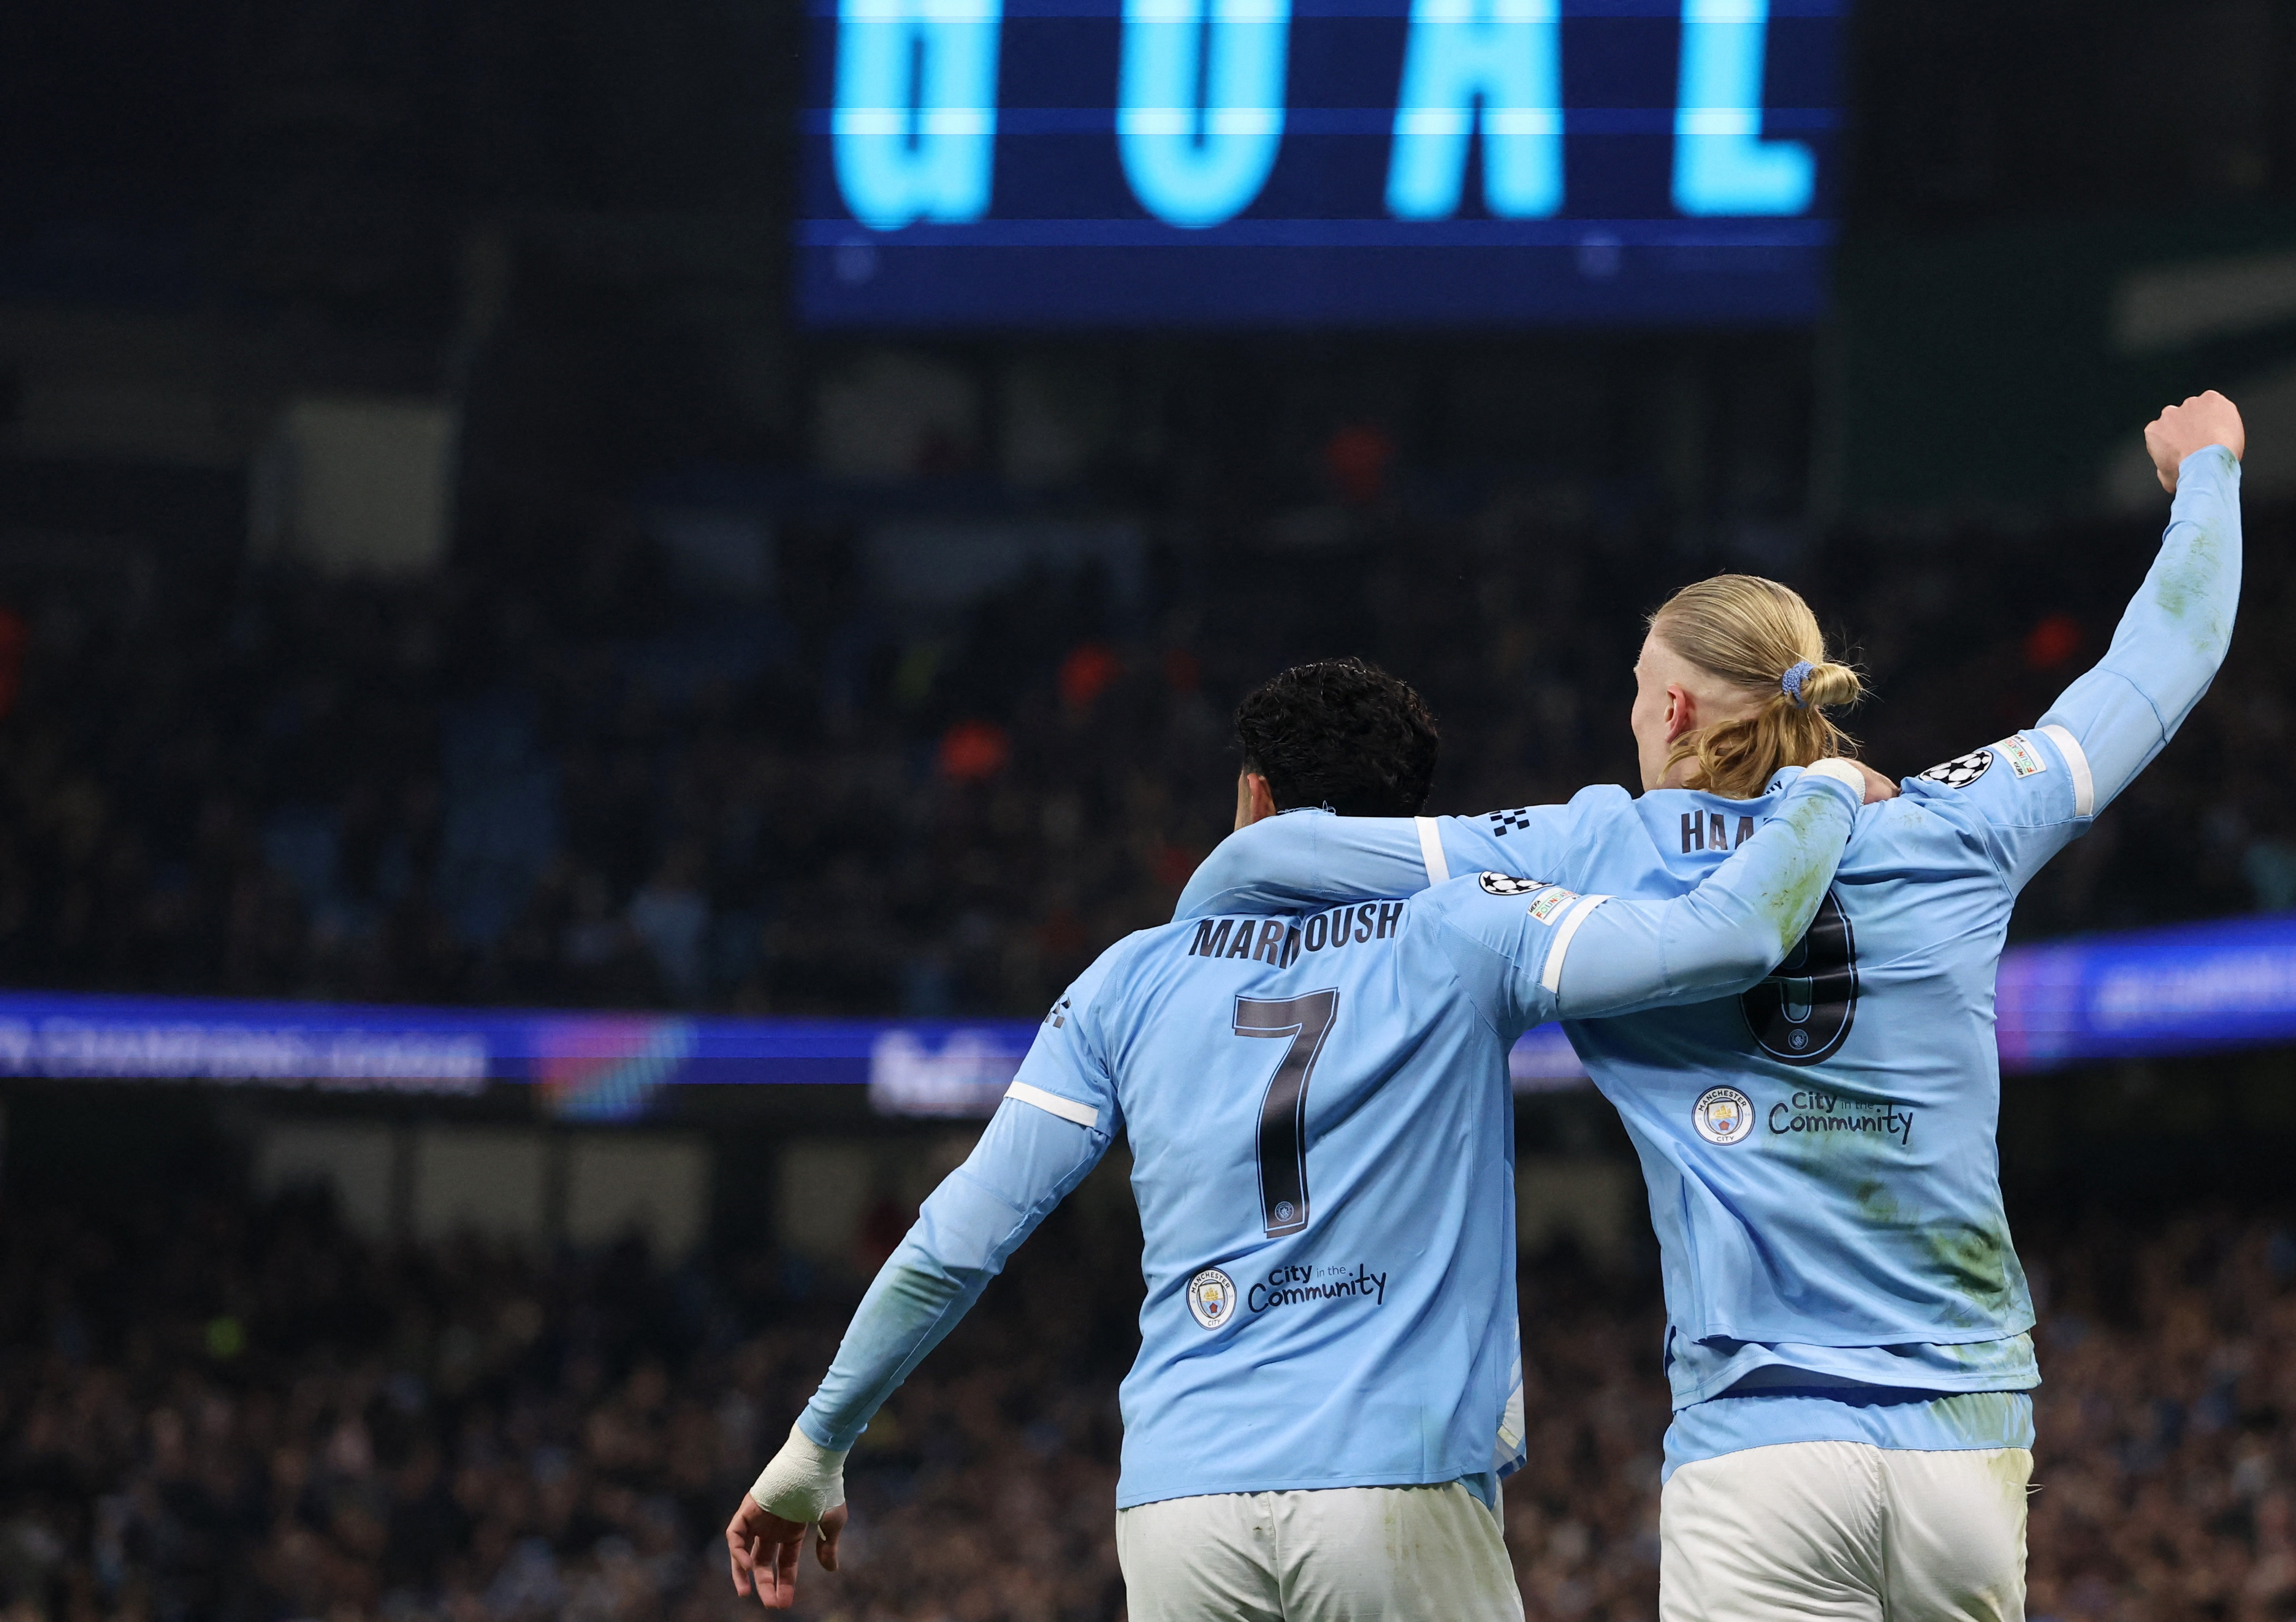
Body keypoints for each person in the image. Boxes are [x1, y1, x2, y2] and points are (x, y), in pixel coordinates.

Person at [1171, 391, 2247, 1620]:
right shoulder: (1954, 822)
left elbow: (1313, 854)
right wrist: (2208, 473)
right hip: (1964, 1437)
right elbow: (2163, 659)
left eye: (1640, 690)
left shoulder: (1592, 849)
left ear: (1675, 709)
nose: (1635, 714)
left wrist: (1222, 881)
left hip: (1760, 1452)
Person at [723, 657, 1872, 1618]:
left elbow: (958, 1238)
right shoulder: (1468, 925)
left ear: (1255, 797)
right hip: (1395, 1488)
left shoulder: (1127, 978)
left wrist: (818, 1443)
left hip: (1179, 1510)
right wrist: (1819, 794)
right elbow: (1720, 941)